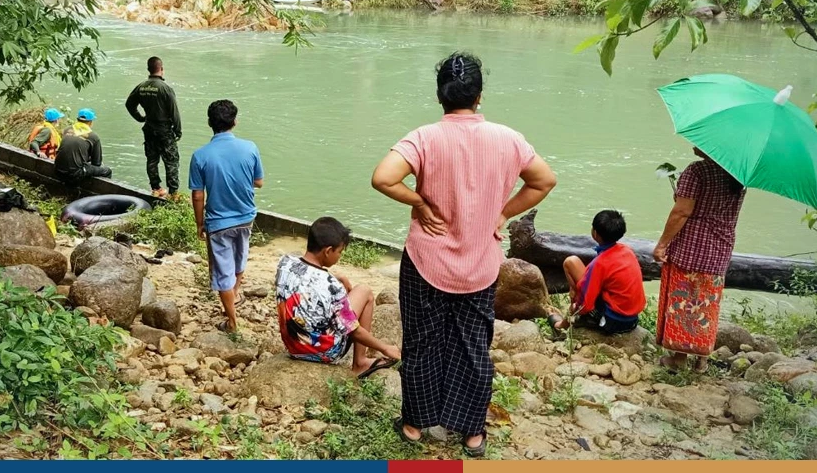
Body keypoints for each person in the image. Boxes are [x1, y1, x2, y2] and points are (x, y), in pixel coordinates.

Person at [371, 52, 556, 458]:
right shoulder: (508, 139)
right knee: (473, 345)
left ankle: (415, 424)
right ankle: (472, 432)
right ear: (479, 96)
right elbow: (544, 180)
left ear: (440, 95)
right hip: (480, 264)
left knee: (422, 341)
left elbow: (383, 178)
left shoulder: (423, 138)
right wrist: (503, 213)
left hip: (426, 260)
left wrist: (420, 203)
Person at [653, 149, 747, 372]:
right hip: (720, 247)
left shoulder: (697, 171)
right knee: (706, 303)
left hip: (692, 245)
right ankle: (701, 359)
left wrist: (662, 244)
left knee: (684, 301)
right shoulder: (739, 174)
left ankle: (679, 359)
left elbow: (682, 212)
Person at [275, 216, 401, 377]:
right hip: (324, 351)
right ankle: (360, 362)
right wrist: (385, 348)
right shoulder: (331, 286)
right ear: (328, 251)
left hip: (294, 346)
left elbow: (308, 278)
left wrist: (338, 278)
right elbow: (353, 330)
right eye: (340, 251)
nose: (340, 256)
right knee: (365, 291)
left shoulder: (285, 262)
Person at [189, 100, 264, 332]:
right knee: (240, 259)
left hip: (218, 222)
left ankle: (232, 322)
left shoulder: (200, 155)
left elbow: (198, 195)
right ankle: (234, 294)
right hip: (246, 217)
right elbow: (259, 182)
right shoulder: (250, 148)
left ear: (209, 123)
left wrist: (199, 223)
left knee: (223, 270)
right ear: (235, 121)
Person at [553, 210, 645, 334]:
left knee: (571, 266)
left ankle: (561, 326)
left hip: (613, 322)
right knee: (572, 263)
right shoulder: (627, 250)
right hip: (632, 319)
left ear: (595, 233)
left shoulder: (600, 263)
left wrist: (575, 307)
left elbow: (586, 305)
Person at [125, 56, 182, 199]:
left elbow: (129, 104)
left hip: (149, 128)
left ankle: (156, 188)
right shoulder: (165, 88)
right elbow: (174, 112)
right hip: (164, 130)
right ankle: (173, 193)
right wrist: (178, 130)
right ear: (161, 69)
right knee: (171, 161)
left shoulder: (141, 86)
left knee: (152, 159)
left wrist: (140, 117)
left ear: (148, 69)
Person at [55, 108, 111, 186]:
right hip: (74, 174)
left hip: (57, 169)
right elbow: (97, 163)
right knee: (107, 171)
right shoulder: (93, 136)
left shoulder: (67, 130)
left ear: (77, 119)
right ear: (90, 122)